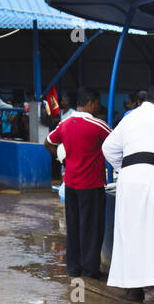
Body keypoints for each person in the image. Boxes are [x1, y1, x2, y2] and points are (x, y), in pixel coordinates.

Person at [102, 83, 154, 304]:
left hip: (128, 180)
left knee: (131, 233)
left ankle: (132, 289)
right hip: (152, 178)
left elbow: (107, 148)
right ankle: (153, 293)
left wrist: (125, 168)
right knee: (152, 233)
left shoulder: (130, 117)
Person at [45, 87, 111, 279]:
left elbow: (48, 142)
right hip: (91, 185)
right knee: (91, 228)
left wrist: (64, 161)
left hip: (71, 184)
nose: (99, 107)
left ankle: (73, 269)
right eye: (97, 103)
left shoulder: (65, 124)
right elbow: (116, 142)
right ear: (90, 103)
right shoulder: (98, 125)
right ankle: (90, 270)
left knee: (73, 227)